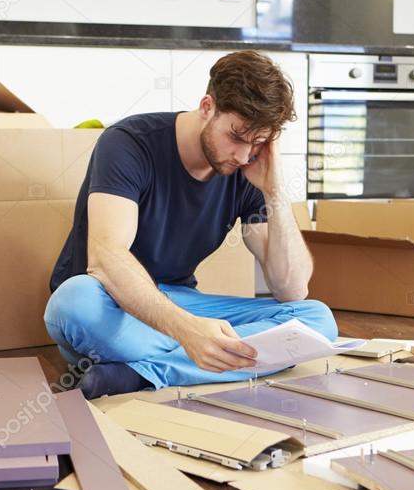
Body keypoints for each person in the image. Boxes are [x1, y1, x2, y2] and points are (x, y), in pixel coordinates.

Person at [44, 50, 338, 399]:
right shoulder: (128, 143)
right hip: (109, 302)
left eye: (258, 143)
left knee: (316, 320)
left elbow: (291, 290)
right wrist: (189, 333)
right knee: (72, 302)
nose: (244, 155)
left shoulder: (248, 168)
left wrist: (274, 191)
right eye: (237, 137)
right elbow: (106, 259)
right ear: (207, 106)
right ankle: (205, 361)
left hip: (182, 303)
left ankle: (140, 374)